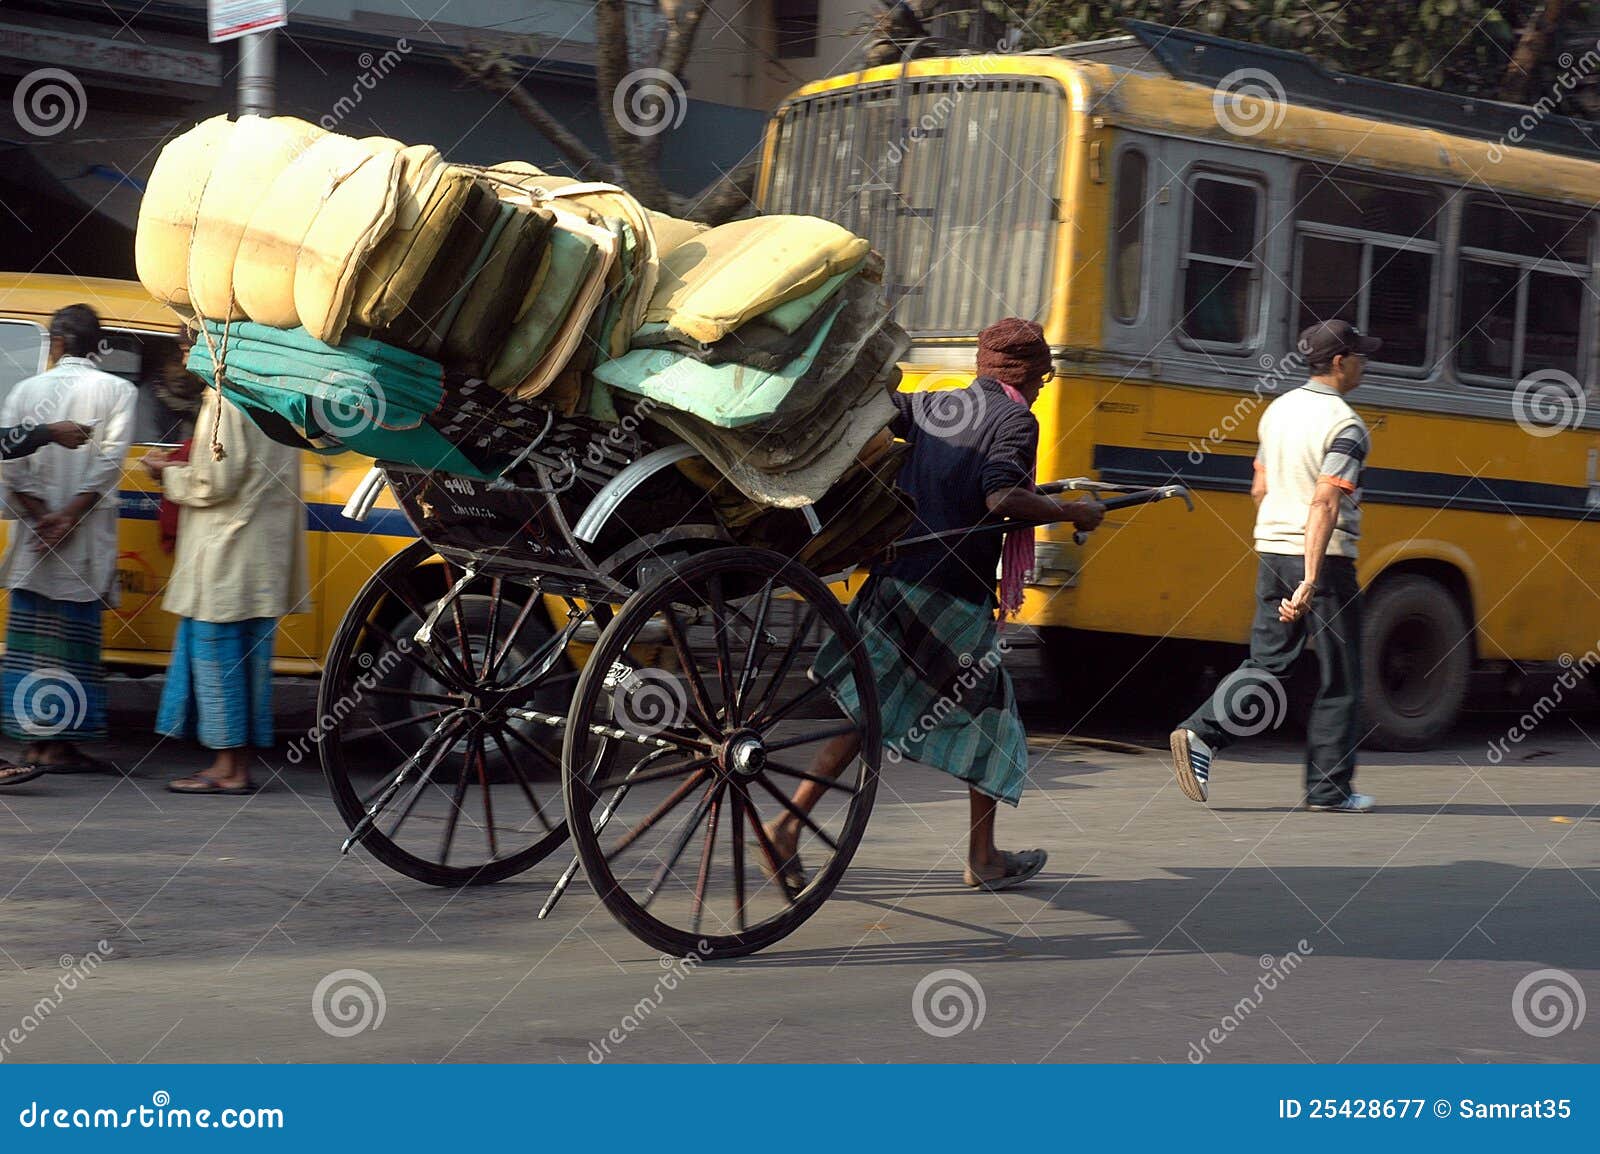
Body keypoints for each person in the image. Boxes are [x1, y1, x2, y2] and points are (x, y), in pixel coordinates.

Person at [762, 317, 1104, 891]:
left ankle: (788, 825)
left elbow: (896, 427)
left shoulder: (936, 405)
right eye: (1043, 374)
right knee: (992, 726)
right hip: (951, 597)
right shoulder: (1017, 419)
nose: (1045, 384)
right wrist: (1072, 511)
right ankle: (983, 858)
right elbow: (999, 496)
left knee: (869, 712)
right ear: (1025, 373)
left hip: (896, 578)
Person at [1169, 320, 1378, 813]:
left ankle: (1201, 732)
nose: (1366, 364)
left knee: (1270, 663)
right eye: (1361, 356)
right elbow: (1325, 502)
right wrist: (1309, 579)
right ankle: (1330, 790)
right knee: (1340, 676)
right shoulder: (1346, 425)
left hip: (1271, 550)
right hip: (1322, 562)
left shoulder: (1276, 412)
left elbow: (1259, 487)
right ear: (1339, 363)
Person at [144, 387, 309, 795]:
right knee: (248, 663)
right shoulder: (277, 392)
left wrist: (165, 473)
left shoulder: (224, 398)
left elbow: (214, 480)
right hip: (260, 555)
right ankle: (236, 765)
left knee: (217, 660)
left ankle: (227, 769)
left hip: (225, 552)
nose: (185, 354)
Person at [0, 305, 135, 782]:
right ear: (98, 345)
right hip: (82, 542)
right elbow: (109, 464)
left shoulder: (24, 391)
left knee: (33, 642)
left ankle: (33, 744)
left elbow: (9, 465)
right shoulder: (118, 391)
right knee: (72, 645)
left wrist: (43, 520)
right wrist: (69, 521)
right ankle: (58, 746)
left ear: (55, 343)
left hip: (35, 542)